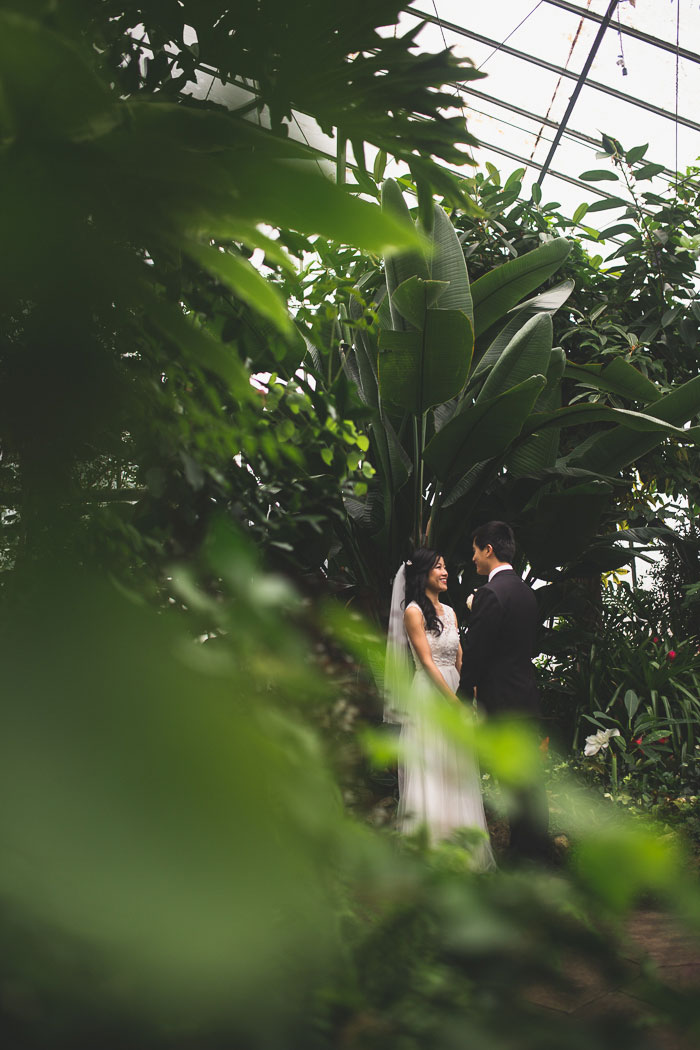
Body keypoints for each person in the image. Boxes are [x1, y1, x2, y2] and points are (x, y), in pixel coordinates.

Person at [385, 548, 494, 868]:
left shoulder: (450, 611)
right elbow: (428, 663)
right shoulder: (413, 613)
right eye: (438, 567)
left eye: (445, 566)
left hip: (455, 688)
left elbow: (459, 656)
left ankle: (462, 848)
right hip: (431, 696)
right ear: (423, 575)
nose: (445, 572)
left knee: (456, 767)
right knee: (431, 766)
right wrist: (454, 701)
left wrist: (470, 693)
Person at [460, 521, 549, 862]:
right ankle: (535, 850)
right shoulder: (526, 592)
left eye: (474, 551)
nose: (472, 558)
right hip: (526, 697)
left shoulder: (490, 594)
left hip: (501, 702)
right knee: (530, 781)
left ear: (489, 550)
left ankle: (524, 855)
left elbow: (478, 652)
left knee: (513, 783)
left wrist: (464, 694)